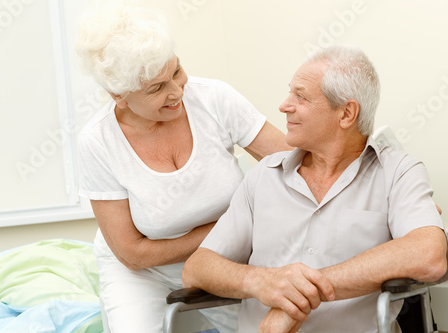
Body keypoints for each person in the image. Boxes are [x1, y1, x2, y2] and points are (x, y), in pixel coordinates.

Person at [182, 45, 448, 332]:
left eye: (301, 96)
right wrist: (262, 282)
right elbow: (196, 269)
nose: (284, 105)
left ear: (346, 113)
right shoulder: (263, 176)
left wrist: (297, 298)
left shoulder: (398, 172)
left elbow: (428, 255)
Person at [75, 1, 292, 332]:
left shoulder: (215, 98)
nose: (177, 91)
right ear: (119, 96)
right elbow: (133, 253)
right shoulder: (97, 142)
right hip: (140, 271)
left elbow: (291, 163)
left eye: (176, 71)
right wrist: (230, 228)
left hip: (223, 257)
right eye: (157, 88)